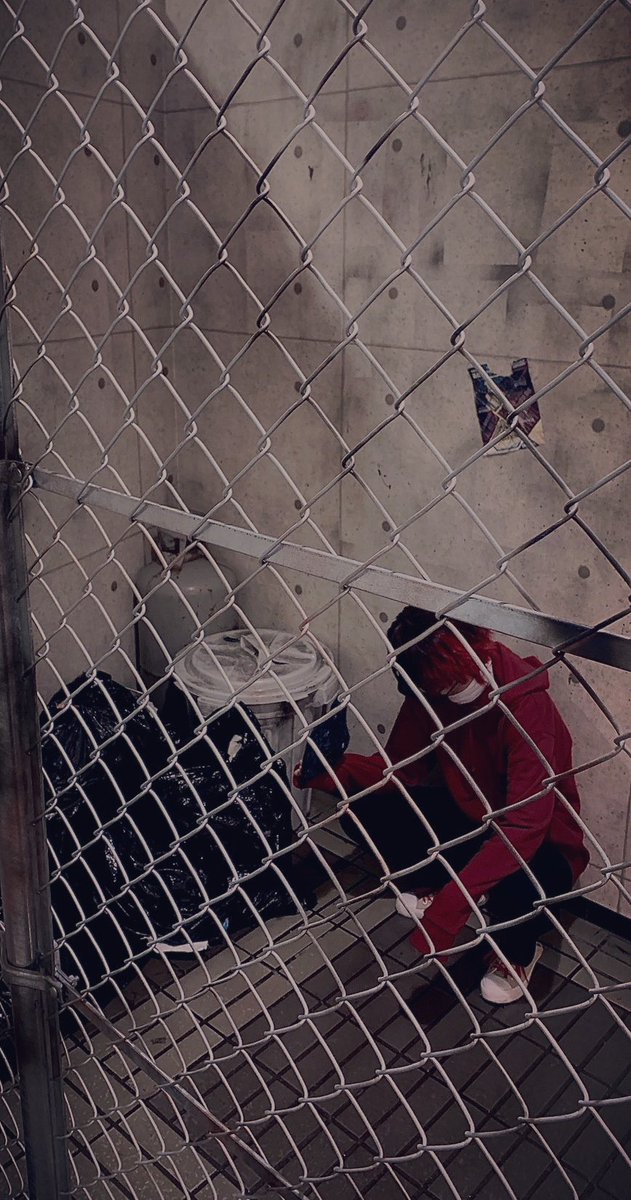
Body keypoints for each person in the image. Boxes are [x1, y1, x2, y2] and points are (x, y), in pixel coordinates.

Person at [296, 608, 589, 1004]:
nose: (453, 691)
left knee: (522, 885)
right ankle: (455, 885)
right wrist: (334, 773)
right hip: (474, 818)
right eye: (442, 687)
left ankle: (517, 953)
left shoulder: (525, 706)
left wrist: (452, 908)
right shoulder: (429, 688)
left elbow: (525, 825)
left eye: (454, 681)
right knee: (363, 811)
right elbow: (401, 767)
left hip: (542, 841)